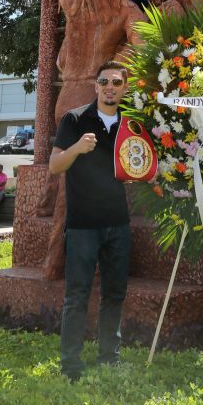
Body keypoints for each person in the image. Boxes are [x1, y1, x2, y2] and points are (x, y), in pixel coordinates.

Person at [49, 62, 132, 381]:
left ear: (124, 88)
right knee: (77, 295)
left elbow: (135, 165)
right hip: (83, 223)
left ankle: (109, 356)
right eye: (104, 81)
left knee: (115, 293)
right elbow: (56, 166)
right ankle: (71, 364)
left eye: (116, 82)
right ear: (95, 86)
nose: (110, 86)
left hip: (117, 222)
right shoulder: (75, 119)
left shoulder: (129, 125)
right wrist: (77, 148)